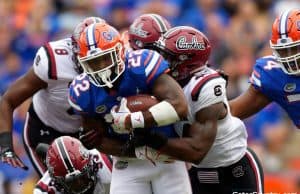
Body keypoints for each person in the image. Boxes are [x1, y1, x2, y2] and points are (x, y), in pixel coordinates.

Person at [133, 26, 264, 194]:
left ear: (185, 61)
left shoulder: (206, 86)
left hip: (234, 167)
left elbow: (198, 151)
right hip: (200, 171)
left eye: (167, 57)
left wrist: (152, 140)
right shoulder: (165, 83)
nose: (160, 61)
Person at [68, 22, 192, 194]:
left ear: (120, 51)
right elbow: (99, 139)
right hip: (127, 161)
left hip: (168, 154)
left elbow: (179, 106)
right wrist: (135, 150)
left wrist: (132, 120)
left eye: (105, 58)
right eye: (94, 62)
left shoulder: (141, 64)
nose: (102, 67)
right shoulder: (82, 91)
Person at [0, 17, 106, 176]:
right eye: (88, 57)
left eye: (102, 58)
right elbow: (8, 100)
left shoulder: (120, 62)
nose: (96, 64)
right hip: (46, 131)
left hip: (87, 133)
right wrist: (6, 146)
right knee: (60, 187)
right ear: (75, 49)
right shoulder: (53, 61)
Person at [229, 9, 300, 128]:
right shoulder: (274, 74)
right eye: (283, 51)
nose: (290, 58)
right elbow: (232, 111)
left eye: (295, 49)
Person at [33, 136, 112, 194]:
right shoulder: (44, 190)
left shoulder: (102, 161)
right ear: (57, 182)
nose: (80, 184)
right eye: (72, 183)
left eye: (83, 177)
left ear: (91, 164)